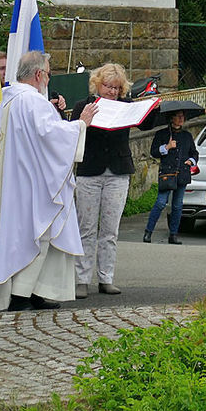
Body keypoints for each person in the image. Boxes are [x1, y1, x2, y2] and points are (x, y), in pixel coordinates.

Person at [0, 50, 99, 311]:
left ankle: (35, 291)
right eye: (49, 74)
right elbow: (51, 137)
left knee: (26, 237)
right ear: (39, 74)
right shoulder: (32, 102)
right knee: (39, 233)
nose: (49, 79)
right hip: (31, 183)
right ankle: (20, 296)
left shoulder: (11, 99)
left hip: (17, 180)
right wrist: (81, 124)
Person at [70, 63, 155, 298]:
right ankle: (81, 279)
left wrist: (151, 105)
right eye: (108, 87)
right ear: (98, 84)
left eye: (117, 88)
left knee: (110, 230)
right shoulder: (84, 105)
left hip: (117, 171)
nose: (112, 92)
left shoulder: (127, 106)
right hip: (90, 170)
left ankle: (106, 278)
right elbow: (73, 132)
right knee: (86, 228)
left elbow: (146, 123)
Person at [144, 111, 199, 244]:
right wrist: (167, 147)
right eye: (178, 116)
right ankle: (148, 231)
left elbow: (194, 153)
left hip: (182, 173)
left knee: (177, 205)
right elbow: (154, 152)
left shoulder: (187, 135)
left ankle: (173, 235)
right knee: (161, 203)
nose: (181, 119)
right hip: (167, 173)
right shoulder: (162, 134)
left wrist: (191, 161)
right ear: (171, 118)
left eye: (182, 116)